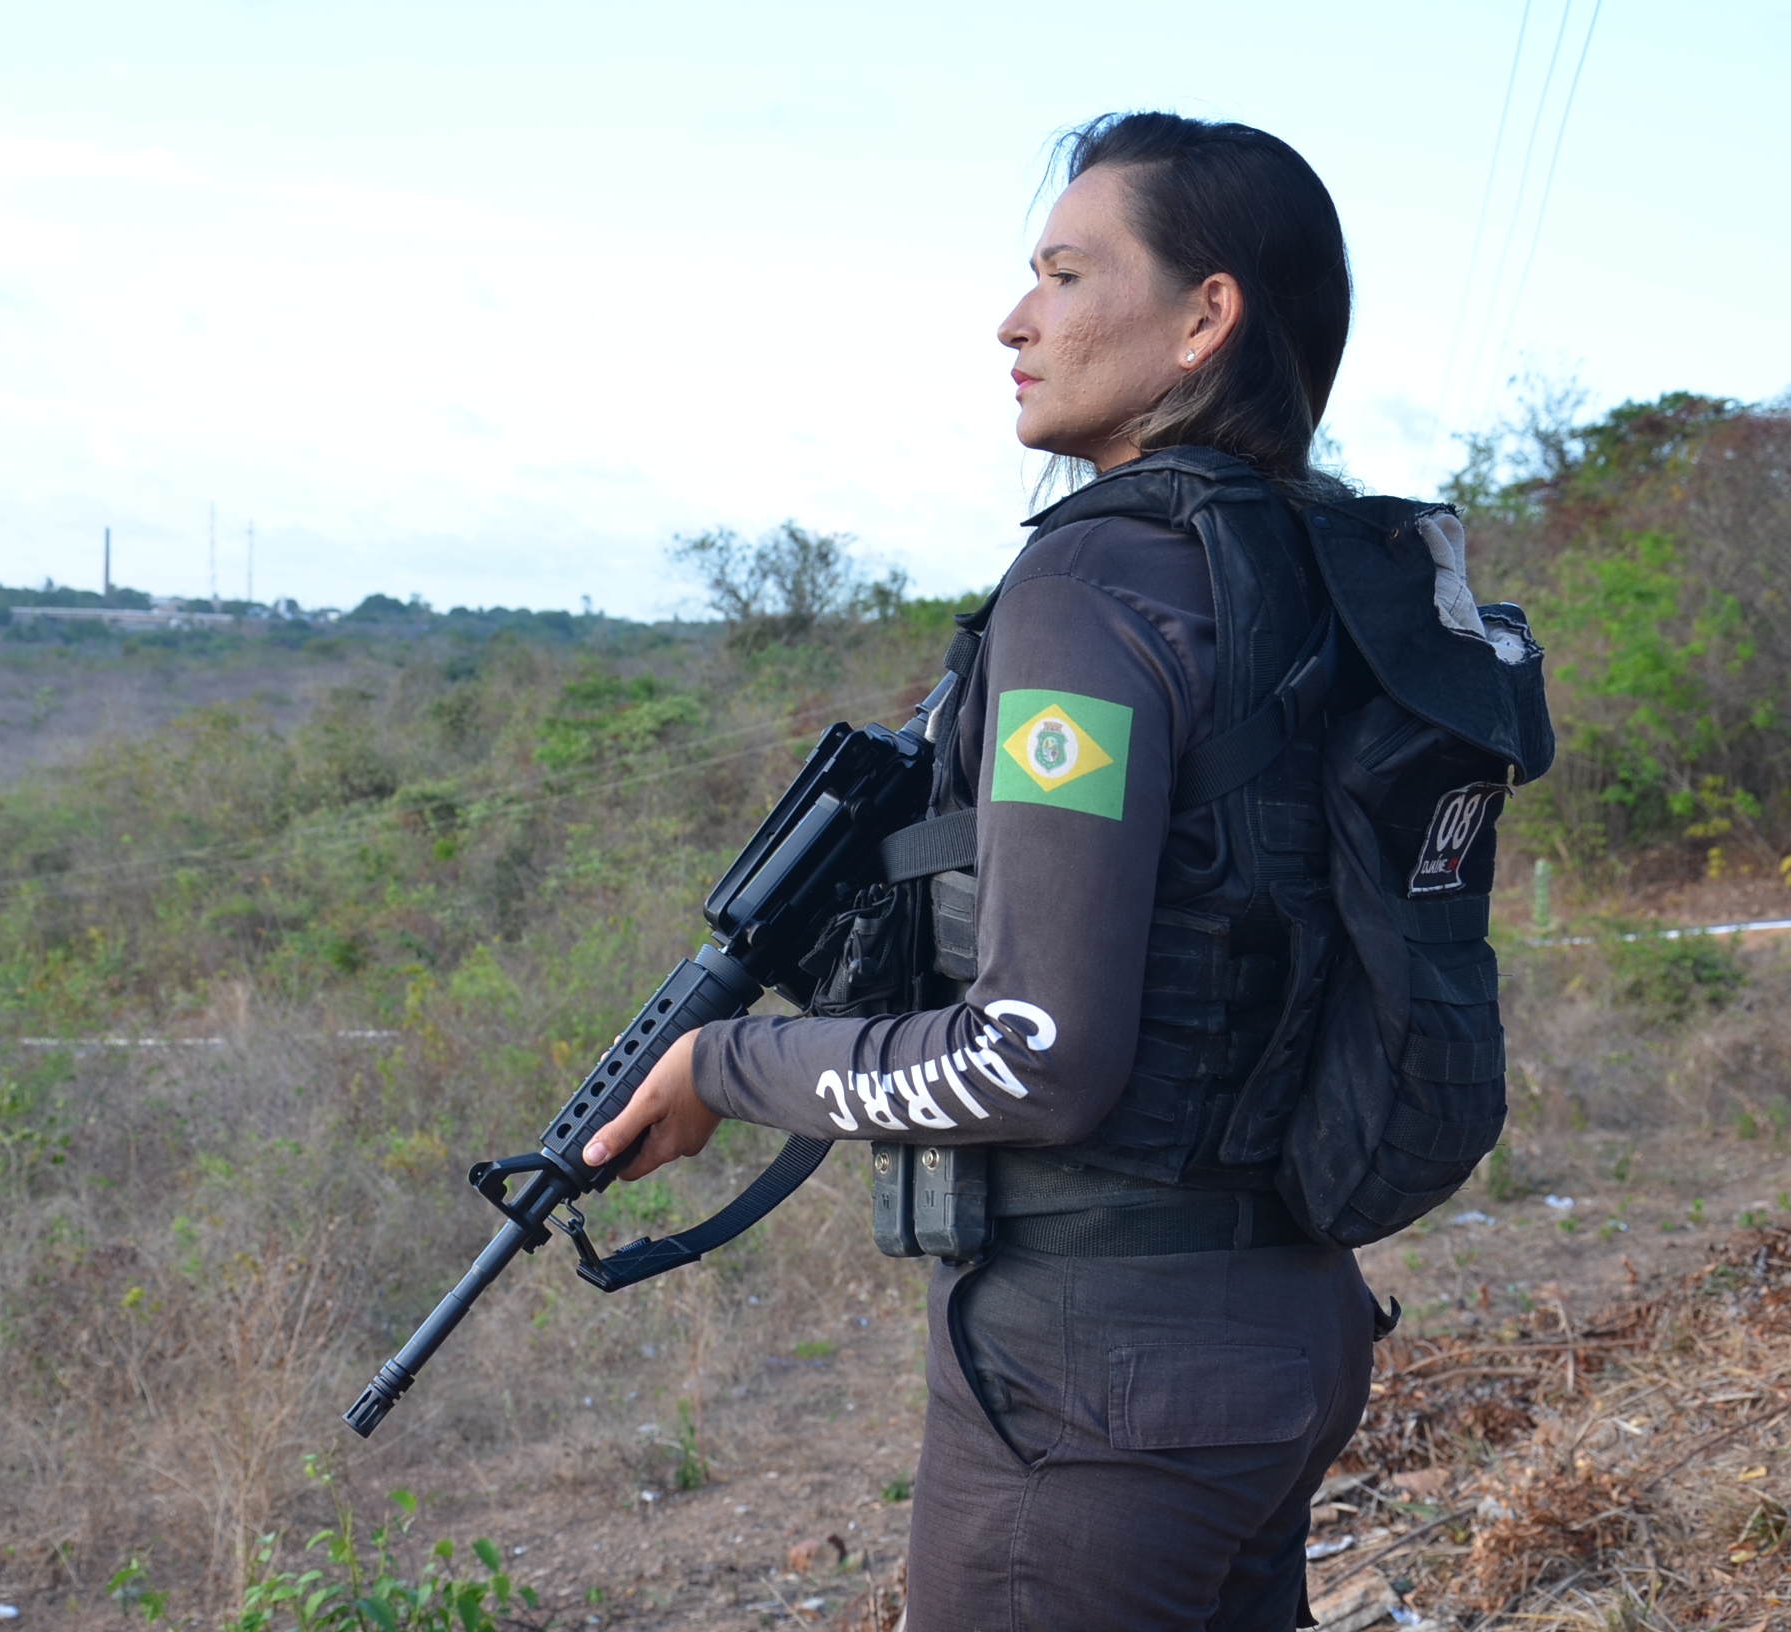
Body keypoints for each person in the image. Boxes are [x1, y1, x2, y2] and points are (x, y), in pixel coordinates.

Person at [583, 112, 1391, 1629]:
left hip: (1098, 1388)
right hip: (1290, 1324)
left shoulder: (1094, 585)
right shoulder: (1324, 571)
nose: (1015, 321)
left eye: (1069, 274)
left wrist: (727, 1063)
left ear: (1207, 317)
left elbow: (1035, 1058)